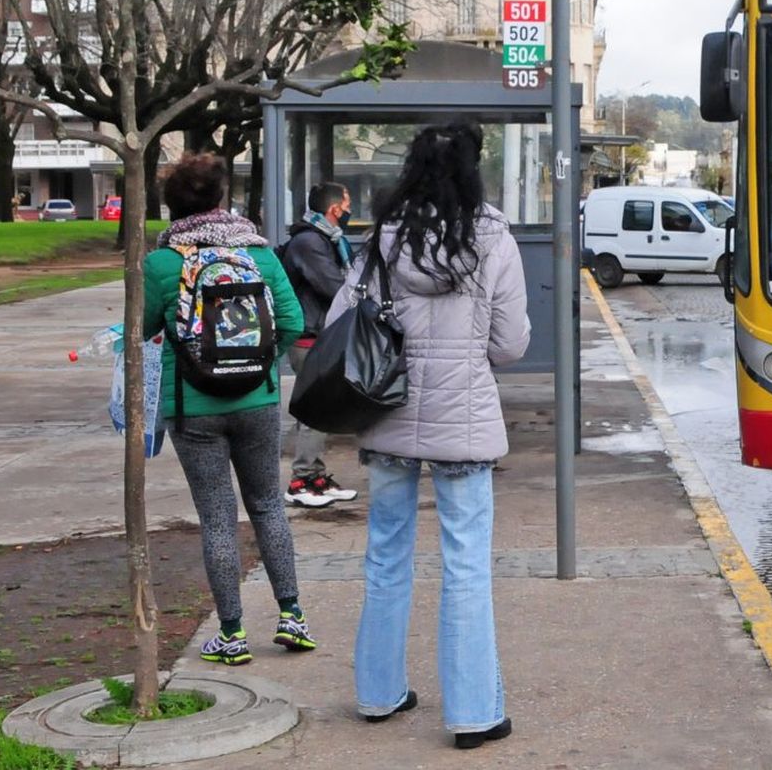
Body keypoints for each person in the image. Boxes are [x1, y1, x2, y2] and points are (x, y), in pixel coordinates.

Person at [332, 123, 529, 749]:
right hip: (464, 426)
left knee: (385, 555)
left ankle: (377, 693)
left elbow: (342, 322)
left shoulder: (381, 237)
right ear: (474, 169)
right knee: (465, 564)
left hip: (387, 417)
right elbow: (510, 343)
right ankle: (473, 714)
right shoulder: (493, 236)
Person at [143, 153, 313, 665]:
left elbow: (146, 326)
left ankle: (232, 635)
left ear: (172, 207)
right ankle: (292, 616)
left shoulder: (161, 264)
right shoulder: (259, 255)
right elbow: (292, 320)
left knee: (217, 518)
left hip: (191, 407)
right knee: (267, 506)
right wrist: (259, 362)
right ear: (222, 200)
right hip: (257, 400)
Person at [279, 182, 360, 507]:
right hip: (308, 337)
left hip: (319, 335)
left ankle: (315, 475)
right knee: (316, 408)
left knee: (322, 406)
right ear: (335, 209)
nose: (350, 211)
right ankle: (303, 480)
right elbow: (336, 287)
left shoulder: (326, 240)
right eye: (348, 203)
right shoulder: (310, 243)